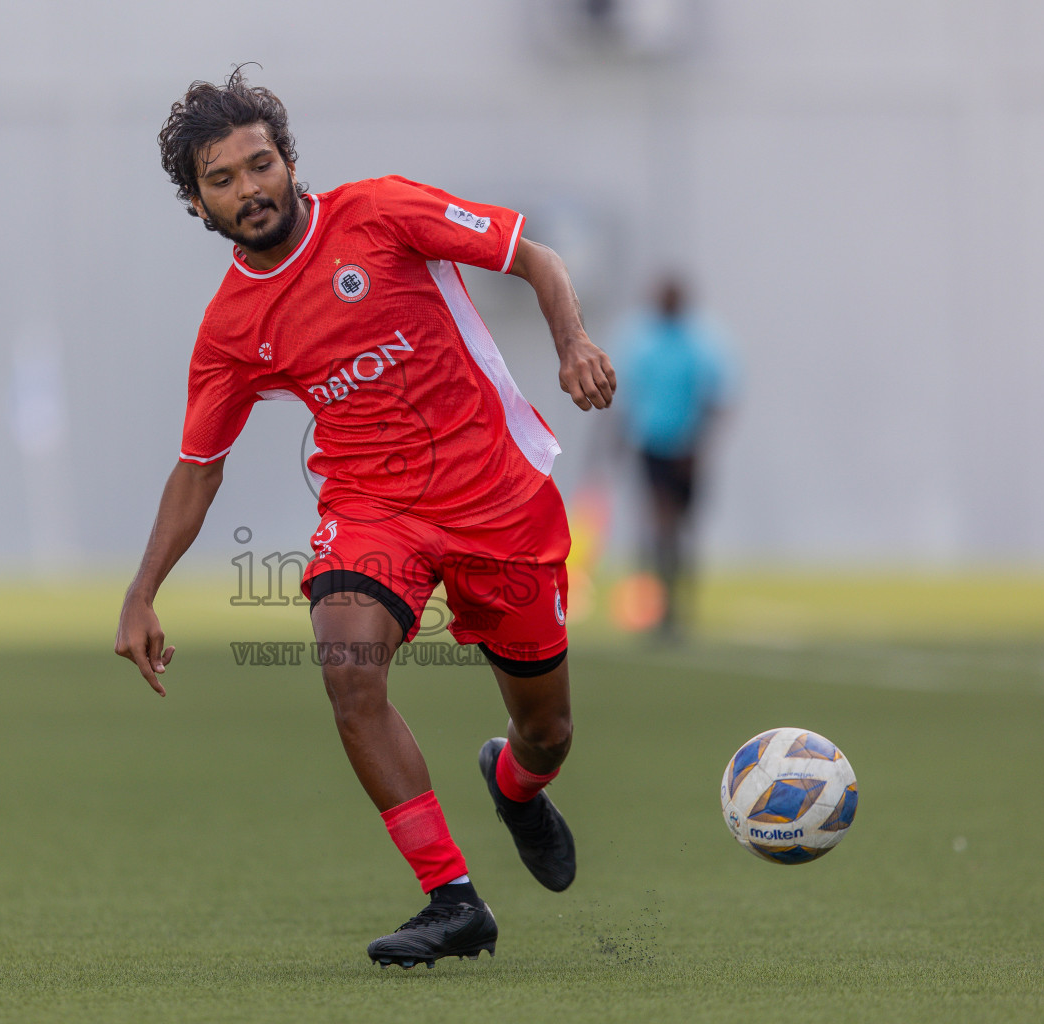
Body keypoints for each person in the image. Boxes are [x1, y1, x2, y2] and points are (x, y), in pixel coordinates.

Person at [115, 68, 616, 969]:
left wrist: (572, 342)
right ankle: (453, 899)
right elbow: (199, 466)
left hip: (500, 499)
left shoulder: (381, 212)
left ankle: (513, 785)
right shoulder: (231, 328)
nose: (248, 188)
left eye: (259, 164)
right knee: (349, 674)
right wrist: (142, 590)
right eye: (221, 180)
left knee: (549, 733)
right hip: (372, 509)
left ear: (289, 160)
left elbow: (535, 257)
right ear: (196, 204)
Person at [615, 274, 734, 639]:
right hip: (653, 444)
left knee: (682, 525)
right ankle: (659, 604)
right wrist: (620, 437)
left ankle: (679, 603)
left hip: (687, 448)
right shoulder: (641, 340)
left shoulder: (702, 341)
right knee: (660, 522)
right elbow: (629, 394)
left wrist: (700, 444)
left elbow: (717, 396)